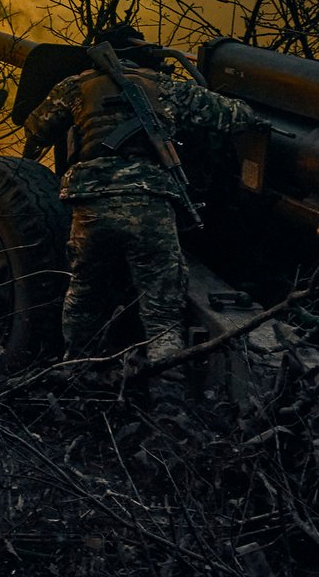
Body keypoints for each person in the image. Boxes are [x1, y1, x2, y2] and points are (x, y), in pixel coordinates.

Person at [22, 23, 257, 363]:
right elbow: (235, 115)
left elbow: (36, 127)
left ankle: (77, 376)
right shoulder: (165, 86)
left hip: (92, 205)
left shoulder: (76, 86)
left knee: (84, 298)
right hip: (150, 202)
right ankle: (168, 397)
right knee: (162, 313)